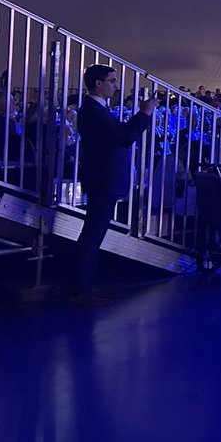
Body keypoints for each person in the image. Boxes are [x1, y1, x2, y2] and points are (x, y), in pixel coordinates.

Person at [72, 64, 156, 306]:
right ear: (98, 83)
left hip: (103, 179)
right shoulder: (92, 110)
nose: (116, 86)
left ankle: (87, 286)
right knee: (91, 235)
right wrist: (144, 113)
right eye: (112, 81)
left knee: (93, 234)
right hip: (103, 180)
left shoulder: (97, 109)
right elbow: (124, 137)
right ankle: (81, 289)